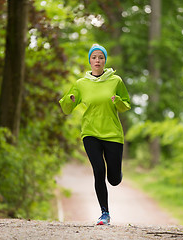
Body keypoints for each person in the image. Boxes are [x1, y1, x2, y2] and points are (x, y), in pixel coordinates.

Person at [59, 44, 131, 225]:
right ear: (89, 61)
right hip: (90, 133)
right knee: (99, 170)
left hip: (113, 134)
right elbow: (67, 108)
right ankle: (104, 213)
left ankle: (117, 174)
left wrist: (118, 101)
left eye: (101, 57)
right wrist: (70, 99)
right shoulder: (81, 84)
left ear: (105, 60)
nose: (97, 60)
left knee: (113, 180)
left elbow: (126, 105)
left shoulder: (116, 81)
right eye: (94, 57)